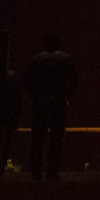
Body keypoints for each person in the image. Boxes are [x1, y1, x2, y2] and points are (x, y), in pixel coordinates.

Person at [24, 32, 76, 181]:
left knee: (38, 138)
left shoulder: (36, 59)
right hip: (58, 102)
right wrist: (66, 95)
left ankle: (36, 171)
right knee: (56, 139)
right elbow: (73, 80)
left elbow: (27, 80)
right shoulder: (65, 59)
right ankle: (52, 171)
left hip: (40, 103)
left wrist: (34, 96)